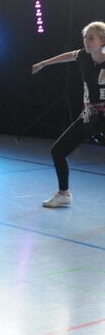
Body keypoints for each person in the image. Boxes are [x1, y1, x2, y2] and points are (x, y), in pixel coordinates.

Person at [32, 21, 105, 208]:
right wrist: (44, 63)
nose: (86, 41)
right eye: (85, 37)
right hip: (91, 114)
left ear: (102, 40)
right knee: (58, 151)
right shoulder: (83, 56)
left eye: (91, 38)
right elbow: (70, 55)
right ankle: (63, 194)